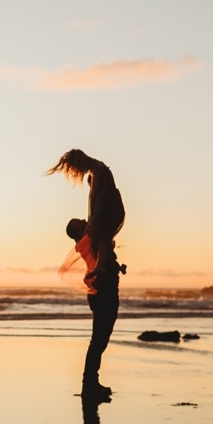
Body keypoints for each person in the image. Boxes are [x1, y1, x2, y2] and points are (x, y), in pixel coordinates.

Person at [48, 149, 126, 396]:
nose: (85, 220)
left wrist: (111, 266)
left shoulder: (91, 238)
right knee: (100, 339)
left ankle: (90, 383)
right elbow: (102, 256)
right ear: (77, 230)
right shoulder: (95, 236)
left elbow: (103, 255)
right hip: (103, 289)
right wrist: (104, 268)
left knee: (99, 339)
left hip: (98, 290)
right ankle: (89, 384)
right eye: (80, 222)